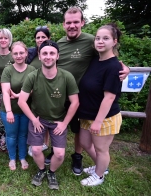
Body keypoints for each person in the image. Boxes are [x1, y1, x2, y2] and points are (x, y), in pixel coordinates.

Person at [44, 7, 130, 176]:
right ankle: (56, 150)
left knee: (78, 130)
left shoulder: (91, 41)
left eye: (76, 22)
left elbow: (109, 56)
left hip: (82, 98)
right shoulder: (59, 44)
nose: (72, 25)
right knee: (56, 125)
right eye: (68, 22)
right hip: (61, 96)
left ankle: (78, 155)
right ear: (63, 25)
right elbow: (44, 59)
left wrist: (125, 67)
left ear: (82, 22)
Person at [18, 40, 79, 190]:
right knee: (37, 150)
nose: (48, 56)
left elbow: (75, 102)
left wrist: (64, 123)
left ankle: (51, 172)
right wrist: (33, 119)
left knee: (59, 154)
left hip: (58, 120)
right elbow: (21, 101)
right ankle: (41, 170)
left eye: (52, 53)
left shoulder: (66, 77)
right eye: (44, 53)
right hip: (38, 118)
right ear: (39, 56)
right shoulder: (32, 76)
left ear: (58, 56)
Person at [78, 24, 123, 186]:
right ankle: (101, 167)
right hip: (87, 113)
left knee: (101, 149)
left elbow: (109, 97)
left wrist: (98, 121)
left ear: (114, 41)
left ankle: (99, 175)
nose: (100, 41)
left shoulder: (113, 66)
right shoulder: (96, 60)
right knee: (84, 143)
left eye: (105, 38)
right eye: (98, 38)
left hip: (104, 116)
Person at [0, 41, 35, 171]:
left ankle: (22, 157)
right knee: (11, 135)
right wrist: (9, 111)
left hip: (26, 110)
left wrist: (21, 94)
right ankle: (12, 158)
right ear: (12, 55)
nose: (19, 56)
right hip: (10, 110)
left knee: (23, 135)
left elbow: (34, 88)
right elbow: (5, 91)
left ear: (26, 53)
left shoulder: (32, 70)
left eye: (21, 53)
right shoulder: (8, 70)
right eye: (15, 53)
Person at [26, 26, 51, 156]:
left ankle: (44, 143)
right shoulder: (31, 53)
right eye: (38, 37)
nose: (40, 40)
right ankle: (33, 142)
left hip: (47, 90)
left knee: (45, 117)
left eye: (43, 37)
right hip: (30, 90)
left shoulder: (52, 52)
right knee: (33, 117)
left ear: (49, 38)